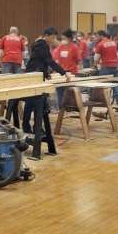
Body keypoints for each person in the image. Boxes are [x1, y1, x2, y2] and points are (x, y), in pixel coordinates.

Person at [22, 27, 71, 157]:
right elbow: (49, 61)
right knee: (33, 102)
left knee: (32, 102)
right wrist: (63, 72)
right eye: (53, 37)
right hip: (33, 78)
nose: (53, 40)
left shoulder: (39, 44)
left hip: (34, 76)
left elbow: (40, 61)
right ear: (47, 36)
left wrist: (45, 73)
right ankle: (29, 127)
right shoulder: (42, 45)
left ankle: (31, 127)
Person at [52, 28, 80, 106]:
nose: (63, 40)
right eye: (62, 38)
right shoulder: (60, 47)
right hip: (61, 72)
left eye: (64, 38)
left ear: (70, 38)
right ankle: (61, 108)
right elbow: (56, 60)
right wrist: (55, 70)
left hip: (71, 72)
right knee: (60, 90)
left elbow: (78, 61)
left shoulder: (74, 47)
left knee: (70, 92)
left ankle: (71, 107)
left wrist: (78, 71)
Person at [93, 30, 118, 105]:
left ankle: (105, 102)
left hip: (106, 66)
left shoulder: (100, 44)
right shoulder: (113, 43)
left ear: (101, 36)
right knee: (116, 84)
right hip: (115, 66)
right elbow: (117, 54)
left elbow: (96, 58)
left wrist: (94, 66)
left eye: (97, 36)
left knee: (103, 85)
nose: (96, 38)